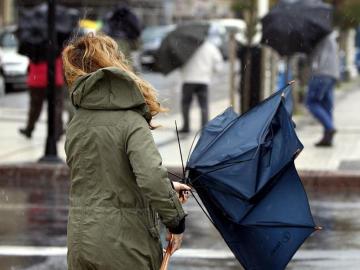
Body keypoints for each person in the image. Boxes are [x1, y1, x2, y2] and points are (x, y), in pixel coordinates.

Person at [62, 33, 189, 270]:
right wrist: (176, 221)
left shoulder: (78, 122)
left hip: (81, 244)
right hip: (125, 247)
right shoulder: (131, 121)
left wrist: (168, 188)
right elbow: (150, 176)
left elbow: (103, 179)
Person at [179, 39, 223, 133]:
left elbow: (179, 61)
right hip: (203, 80)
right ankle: (204, 127)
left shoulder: (185, 47)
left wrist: (183, 70)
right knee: (203, 105)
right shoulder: (210, 47)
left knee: (186, 104)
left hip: (188, 79)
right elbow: (218, 64)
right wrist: (211, 72)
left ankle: (186, 126)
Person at [306, 32, 340, 147]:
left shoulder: (318, 35)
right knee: (326, 105)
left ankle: (329, 127)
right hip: (332, 73)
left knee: (312, 103)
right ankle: (327, 138)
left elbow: (313, 56)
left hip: (321, 73)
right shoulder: (331, 36)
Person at [19, 57, 64, 140]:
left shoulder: (34, 44)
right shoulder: (57, 45)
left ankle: (29, 129)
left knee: (35, 107)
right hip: (55, 77)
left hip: (37, 78)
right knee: (56, 106)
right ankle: (58, 130)